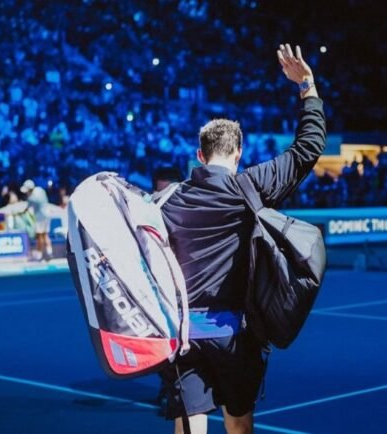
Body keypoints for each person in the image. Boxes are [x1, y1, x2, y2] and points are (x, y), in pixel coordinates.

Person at [159, 44, 325, 434]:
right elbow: (307, 149)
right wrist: (308, 87)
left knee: (190, 425)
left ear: (200, 155)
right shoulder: (249, 187)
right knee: (238, 422)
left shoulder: (167, 200)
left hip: (183, 335)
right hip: (235, 333)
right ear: (238, 154)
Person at [20, 179, 52, 261]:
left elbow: (27, 208)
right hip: (47, 214)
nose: (26, 192)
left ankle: (39, 255)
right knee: (45, 235)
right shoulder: (40, 190)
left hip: (40, 217)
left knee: (40, 236)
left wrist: (21, 213)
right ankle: (49, 253)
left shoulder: (31, 198)